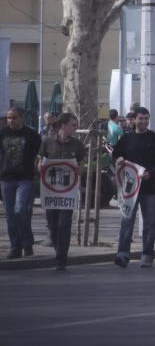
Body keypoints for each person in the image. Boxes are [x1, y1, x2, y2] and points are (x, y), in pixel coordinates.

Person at [112, 107, 155, 268]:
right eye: (141, 118)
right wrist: (118, 160)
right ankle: (122, 254)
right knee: (127, 221)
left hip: (150, 187)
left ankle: (147, 254)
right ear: (134, 119)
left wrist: (151, 174)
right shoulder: (127, 138)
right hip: (130, 189)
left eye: (146, 118)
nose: (143, 121)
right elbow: (115, 155)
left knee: (150, 223)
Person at [37, 112, 86, 270]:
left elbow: (82, 164)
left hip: (68, 192)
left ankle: (61, 259)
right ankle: (58, 248)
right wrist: (39, 167)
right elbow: (39, 161)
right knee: (52, 225)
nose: (76, 127)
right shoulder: (47, 142)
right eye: (73, 124)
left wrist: (80, 169)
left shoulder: (77, 145)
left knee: (64, 224)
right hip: (51, 192)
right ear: (64, 125)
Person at [1, 107, 42, 259]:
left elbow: (42, 152)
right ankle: (15, 247)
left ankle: (27, 242)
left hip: (25, 178)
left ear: (22, 118)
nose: (11, 121)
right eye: (9, 118)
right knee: (10, 215)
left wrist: (40, 163)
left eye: (14, 118)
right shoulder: (2, 133)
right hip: (6, 179)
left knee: (21, 210)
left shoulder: (31, 135)